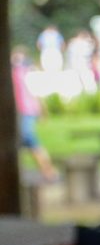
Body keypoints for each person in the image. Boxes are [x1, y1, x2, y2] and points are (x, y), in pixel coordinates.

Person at [11, 48, 57, 181]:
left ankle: (48, 171)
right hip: (21, 111)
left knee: (29, 138)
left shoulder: (25, 72)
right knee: (25, 140)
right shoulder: (15, 72)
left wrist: (42, 110)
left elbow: (35, 93)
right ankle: (46, 171)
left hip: (27, 110)